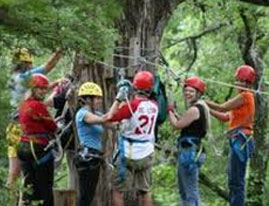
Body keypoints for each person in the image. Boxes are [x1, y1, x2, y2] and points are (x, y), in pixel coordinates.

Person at [6, 48, 62, 188]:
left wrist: (55, 84)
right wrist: (61, 50)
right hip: (21, 127)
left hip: (15, 126)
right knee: (16, 173)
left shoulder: (15, 80)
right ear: (27, 64)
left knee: (20, 174)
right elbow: (48, 66)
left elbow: (39, 90)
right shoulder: (23, 77)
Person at [107, 71, 159, 206]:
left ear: (134, 87)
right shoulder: (155, 106)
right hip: (146, 153)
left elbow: (110, 116)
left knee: (118, 190)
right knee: (144, 191)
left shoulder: (133, 106)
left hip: (128, 154)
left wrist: (119, 98)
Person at [206, 65, 256, 206]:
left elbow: (222, 107)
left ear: (245, 82)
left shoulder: (245, 96)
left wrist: (203, 101)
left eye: (239, 80)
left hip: (241, 139)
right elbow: (225, 116)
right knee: (233, 179)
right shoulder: (242, 99)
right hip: (238, 139)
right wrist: (207, 108)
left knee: (236, 181)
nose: (236, 83)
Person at [167, 76, 208, 206]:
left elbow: (176, 125)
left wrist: (169, 111)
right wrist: (174, 113)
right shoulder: (200, 108)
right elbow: (185, 124)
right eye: (186, 90)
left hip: (189, 152)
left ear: (198, 93)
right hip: (192, 150)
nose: (187, 93)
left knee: (189, 193)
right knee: (187, 191)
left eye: (191, 91)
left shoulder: (195, 109)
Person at [17, 74, 58, 206]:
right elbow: (52, 126)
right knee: (45, 187)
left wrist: (57, 86)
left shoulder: (23, 104)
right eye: (40, 88)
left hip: (23, 147)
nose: (43, 91)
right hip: (38, 148)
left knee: (29, 186)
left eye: (45, 88)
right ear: (33, 89)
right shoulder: (38, 106)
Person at [75, 82, 112, 206]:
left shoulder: (97, 114)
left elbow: (112, 123)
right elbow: (104, 120)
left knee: (89, 195)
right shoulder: (82, 114)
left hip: (94, 157)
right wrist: (118, 101)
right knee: (86, 195)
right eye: (96, 98)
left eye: (99, 98)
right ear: (87, 99)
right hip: (87, 157)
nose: (99, 101)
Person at [46, 75, 78, 190]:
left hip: (64, 135)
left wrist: (57, 89)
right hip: (76, 138)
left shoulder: (67, 94)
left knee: (50, 166)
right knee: (73, 170)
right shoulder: (75, 93)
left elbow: (48, 102)